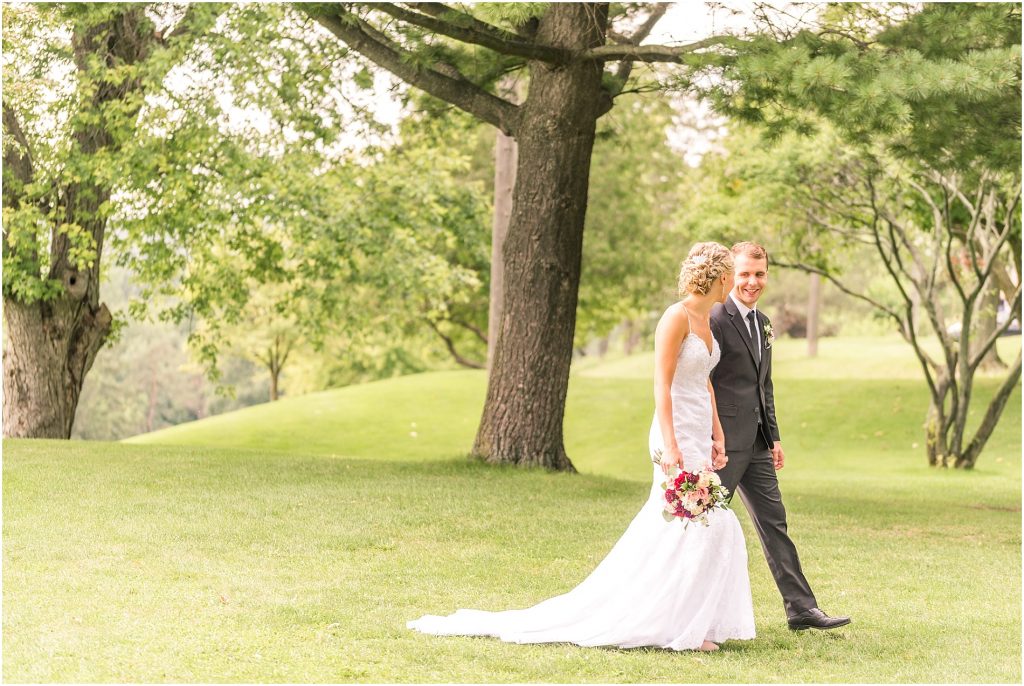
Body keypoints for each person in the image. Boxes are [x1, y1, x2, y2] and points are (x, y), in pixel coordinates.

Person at [408, 242, 754, 652]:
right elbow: (661, 384)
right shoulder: (674, 317)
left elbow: (705, 382)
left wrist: (718, 434)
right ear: (718, 276)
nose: (736, 280)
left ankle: (688, 620)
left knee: (705, 525)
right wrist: (672, 444)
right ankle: (673, 625)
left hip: (699, 430)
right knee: (688, 522)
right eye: (732, 273)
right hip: (674, 431)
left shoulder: (708, 321)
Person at [710, 241, 851, 632]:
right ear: (729, 275)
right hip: (720, 445)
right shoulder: (715, 318)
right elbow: (702, 380)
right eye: (744, 274)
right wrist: (711, 434)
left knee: (775, 524)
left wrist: (773, 437)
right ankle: (686, 609)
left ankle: (801, 609)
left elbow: (763, 384)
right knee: (701, 523)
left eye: (759, 274)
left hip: (756, 444)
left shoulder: (765, 323)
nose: (752, 282)